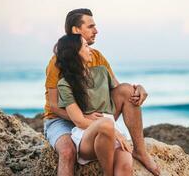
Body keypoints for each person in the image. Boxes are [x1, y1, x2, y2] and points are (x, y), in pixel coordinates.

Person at [43, 8, 160, 176]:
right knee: (68, 152)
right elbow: (54, 106)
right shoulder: (57, 63)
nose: (96, 31)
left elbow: (119, 89)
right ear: (77, 31)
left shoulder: (97, 57)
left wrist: (137, 89)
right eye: (90, 26)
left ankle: (140, 151)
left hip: (94, 114)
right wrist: (84, 118)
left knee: (128, 92)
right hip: (60, 118)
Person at [55, 34, 133, 176]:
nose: (90, 49)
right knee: (106, 124)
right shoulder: (65, 83)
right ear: (75, 53)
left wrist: (136, 89)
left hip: (110, 131)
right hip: (87, 136)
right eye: (85, 46)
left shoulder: (102, 71)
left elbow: (122, 91)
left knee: (126, 166)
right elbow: (78, 120)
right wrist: (115, 132)